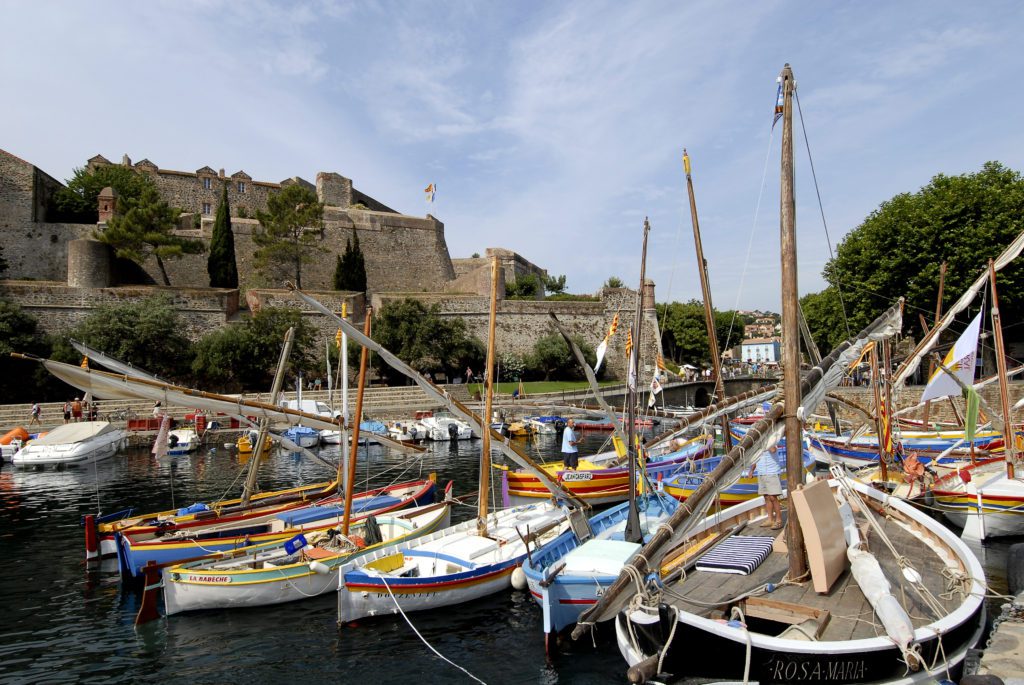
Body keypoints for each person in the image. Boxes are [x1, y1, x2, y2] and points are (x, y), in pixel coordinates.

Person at [747, 450, 783, 530]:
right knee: (766, 497)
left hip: (771, 472)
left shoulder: (770, 439)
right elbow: (756, 458)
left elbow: (773, 449)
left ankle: (779, 520)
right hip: (761, 473)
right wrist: (752, 470)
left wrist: (764, 442)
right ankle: (770, 519)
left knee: (773, 497)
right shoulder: (758, 443)